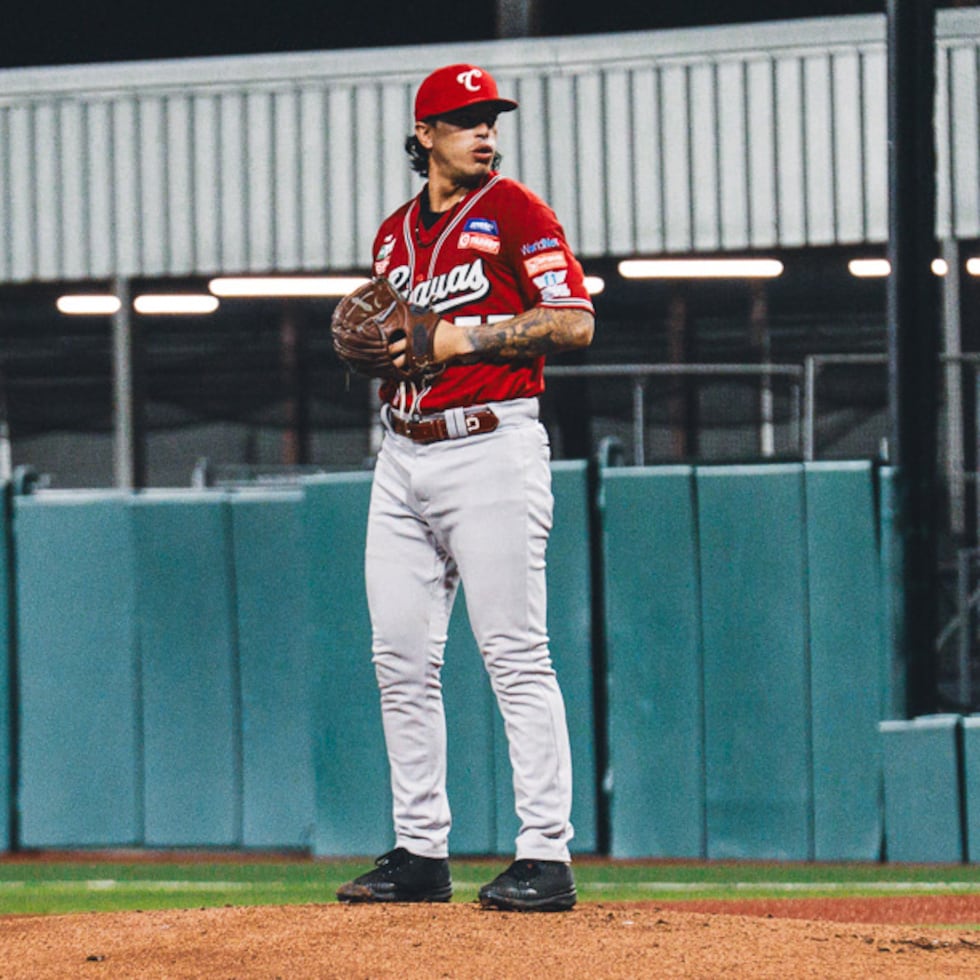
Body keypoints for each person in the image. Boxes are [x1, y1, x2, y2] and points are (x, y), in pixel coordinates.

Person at [335, 62, 595, 912]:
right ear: (424, 136)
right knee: (399, 660)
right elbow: (394, 334)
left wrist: (461, 339)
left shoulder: (518, 211)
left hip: (491, 446)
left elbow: (575, 320)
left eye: (490, 117)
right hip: (401, 453)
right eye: (463, 119)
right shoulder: (389, 236)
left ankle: (546, 856)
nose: (484, 130)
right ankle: (420, 852)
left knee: (516, 654)